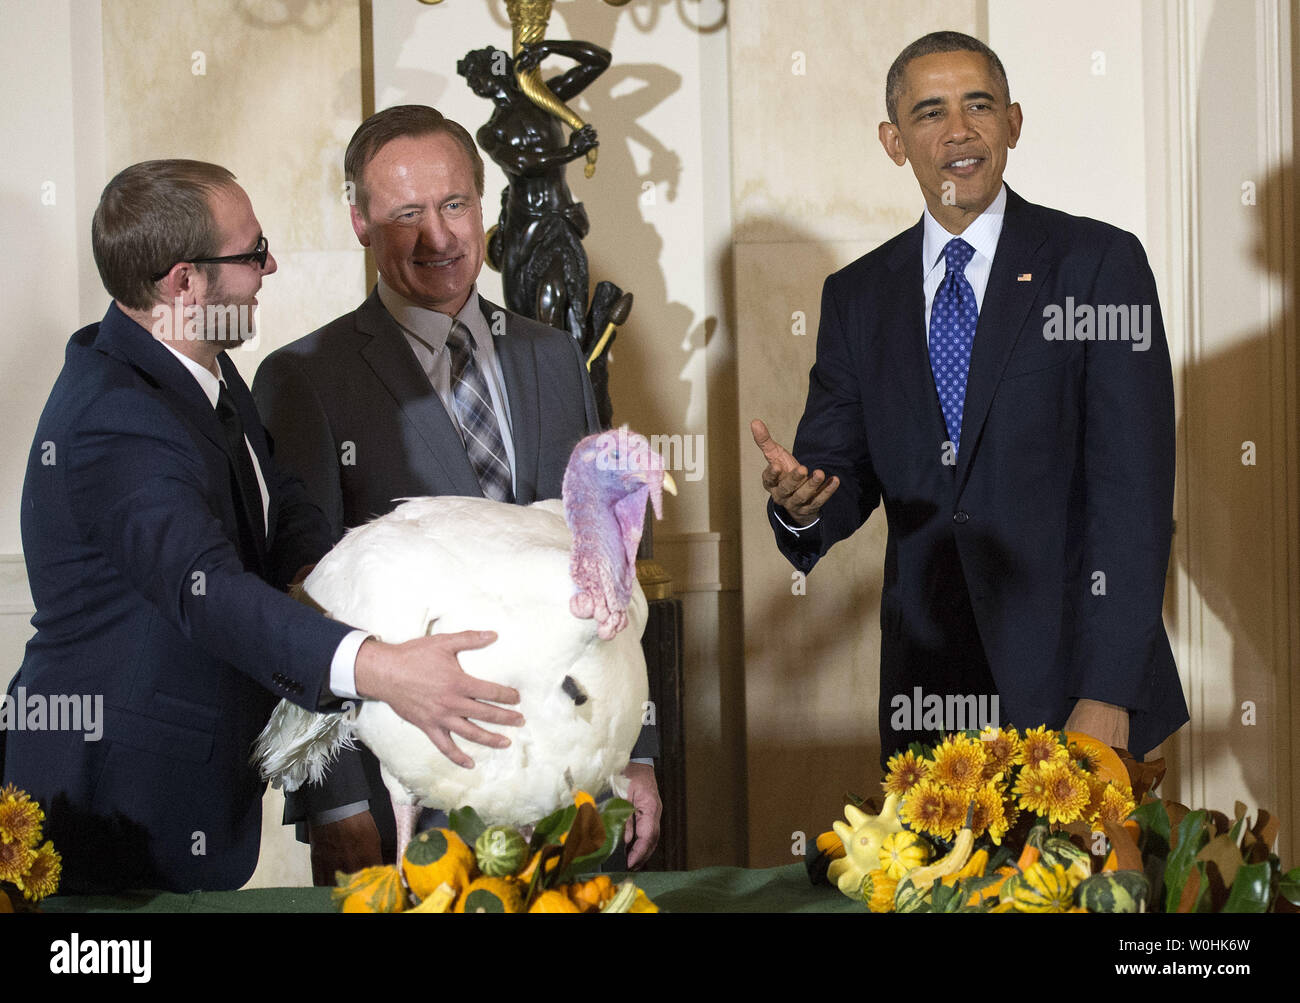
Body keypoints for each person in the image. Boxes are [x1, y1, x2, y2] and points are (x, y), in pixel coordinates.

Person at [1, 160, 523, 893]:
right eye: (252, 254)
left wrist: (350, 581)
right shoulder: (114, 419)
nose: (270, 265)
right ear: (183, 283)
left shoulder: (195, 360)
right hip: (112, 802)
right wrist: (382, 669)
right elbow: (209, 591)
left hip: (183, 789)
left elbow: (286, 506)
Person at [753, 31, 1188, 764]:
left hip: (1072, 689)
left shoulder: (1098, 265)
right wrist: (803, 503)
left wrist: (1109, 690)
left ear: (1012, 123)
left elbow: (1134, 495)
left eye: (978, 105)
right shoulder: (858, 296)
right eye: (930, 113)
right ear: (894, 141)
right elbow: (839, 468)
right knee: (931, 885)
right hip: (927, 699)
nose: (959, 129)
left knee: (1084, 885)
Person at [252, 105, 661, 881]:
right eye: (405, 213)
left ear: (483, 206)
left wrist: (631, 752)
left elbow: (605, 560)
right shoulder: (305, 377)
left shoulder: (554, 356)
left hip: (561, 778)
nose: (437, 237)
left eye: (454, 205)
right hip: (399, 789)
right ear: (360, 223)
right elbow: (301, 598)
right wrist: (335, 801)